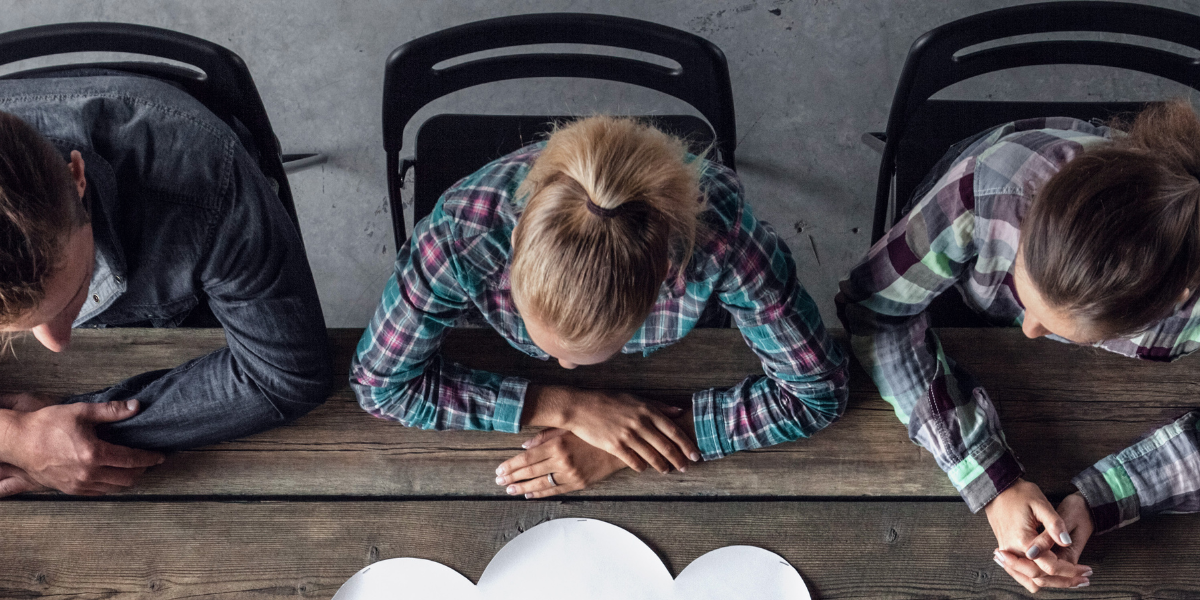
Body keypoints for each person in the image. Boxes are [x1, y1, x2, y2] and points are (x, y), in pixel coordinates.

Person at [351, 116, 848, 498]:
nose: (562, 367)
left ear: (663, 285)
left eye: (590, 355)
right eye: (548, 343)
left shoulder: (722, 242)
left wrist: (630, 445)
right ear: (514, 244)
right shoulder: (462, 234)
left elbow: (817, 392)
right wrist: (565, 406)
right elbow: (380, 386)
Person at [838, 100, 1200, 593]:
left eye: (1066, 331)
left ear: (1170, 304)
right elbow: (875, 311)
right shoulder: (989, 186)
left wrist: (1108, 495)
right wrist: (991, 477)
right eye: (1020, 290)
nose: (1029, 332)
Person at [0, 72, 332, 497]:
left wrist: (63, 439)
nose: (58, 343)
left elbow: (287, 374)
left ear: (76, 178)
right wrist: (16, 440)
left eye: (72, 299)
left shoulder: (206, 179)